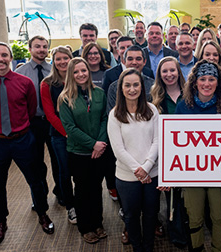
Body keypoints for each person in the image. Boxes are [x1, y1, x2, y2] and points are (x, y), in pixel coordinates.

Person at [0, 41, 55, 245]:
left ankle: (43, 214)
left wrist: (18, 128)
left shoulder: (24, 82)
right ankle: (1, 221)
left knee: (35, 179)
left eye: (4, 55)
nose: (0, 59)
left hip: (23, 140)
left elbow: (30, 109)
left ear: (10, 58)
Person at [175, 60, 221, 252]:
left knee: (219, 216)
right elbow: (175, 142)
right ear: (195, 82)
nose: (207, 83)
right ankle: (197, 247)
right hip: (192, 172)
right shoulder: (183, 107)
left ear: (218, 82)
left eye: (212, 79)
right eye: (203, 79)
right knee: (194, 216)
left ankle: (220, 249)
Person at [107, 68, 160, 252]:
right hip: (127, 178)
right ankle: (137, 247)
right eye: (127, 85)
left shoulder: (152, 109)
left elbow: (157, 140)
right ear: (121, 88)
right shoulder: (114, 115)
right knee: (131, 216)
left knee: (151, 215)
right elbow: (118, 149)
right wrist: (138, 170)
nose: (132, 89)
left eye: (136, 85)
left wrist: (146, 167)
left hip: (152, 174)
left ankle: (148, 247)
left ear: (142, 87)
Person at [58, 58, 108, 244]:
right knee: (82, 191)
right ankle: (85, 227)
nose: (80, 74)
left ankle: (97, 223)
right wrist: (92, 144)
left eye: (83, 71)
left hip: (99, 151)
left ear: (88, 72)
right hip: (78, 153)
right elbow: (69, 128)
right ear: (71, 74)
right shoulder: (64, 98)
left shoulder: (100, 93)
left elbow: (105, 118)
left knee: (96, 189)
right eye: (76, 72)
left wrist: (101, 142)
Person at [15, 35, 61, 208]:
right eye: (37, 46)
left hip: (53, 121)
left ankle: (61, 192)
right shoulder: (20, 73)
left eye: (44, 46)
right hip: (32, 123)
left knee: (58, 160)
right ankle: (40, 198)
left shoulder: (54, 69)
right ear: (30, 49)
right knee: (35, 162)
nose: (41, 49)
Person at [150, 57, 187, 248]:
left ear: (178, 72)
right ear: (159, 74)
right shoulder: (154, 98)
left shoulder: (190, 94)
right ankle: (177, 234)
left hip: (189, 152)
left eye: (172, 70)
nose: (169, 74)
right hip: (165, 153)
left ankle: (190, 229)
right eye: (165, 71)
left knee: (188, 195)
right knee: (171, 196)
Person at [40, 46, 77, 225]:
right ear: (53, 61)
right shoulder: (46, 84)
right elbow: (50, 114)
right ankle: (70, 206)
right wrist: (68, 132)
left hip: (80, 133)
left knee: (81, 171)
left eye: (66, 58)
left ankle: (82, 202)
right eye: (58, 59)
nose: (62, 62)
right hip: (60, 136)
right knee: (65, 172)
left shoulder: (78, 78)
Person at [107, 45, 155, 112]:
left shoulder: (153, 85)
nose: (134, 62)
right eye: (130, 59)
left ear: (144, 62)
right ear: (123, 61)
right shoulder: (114, 87)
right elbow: (112, 113)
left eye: (138, 59)